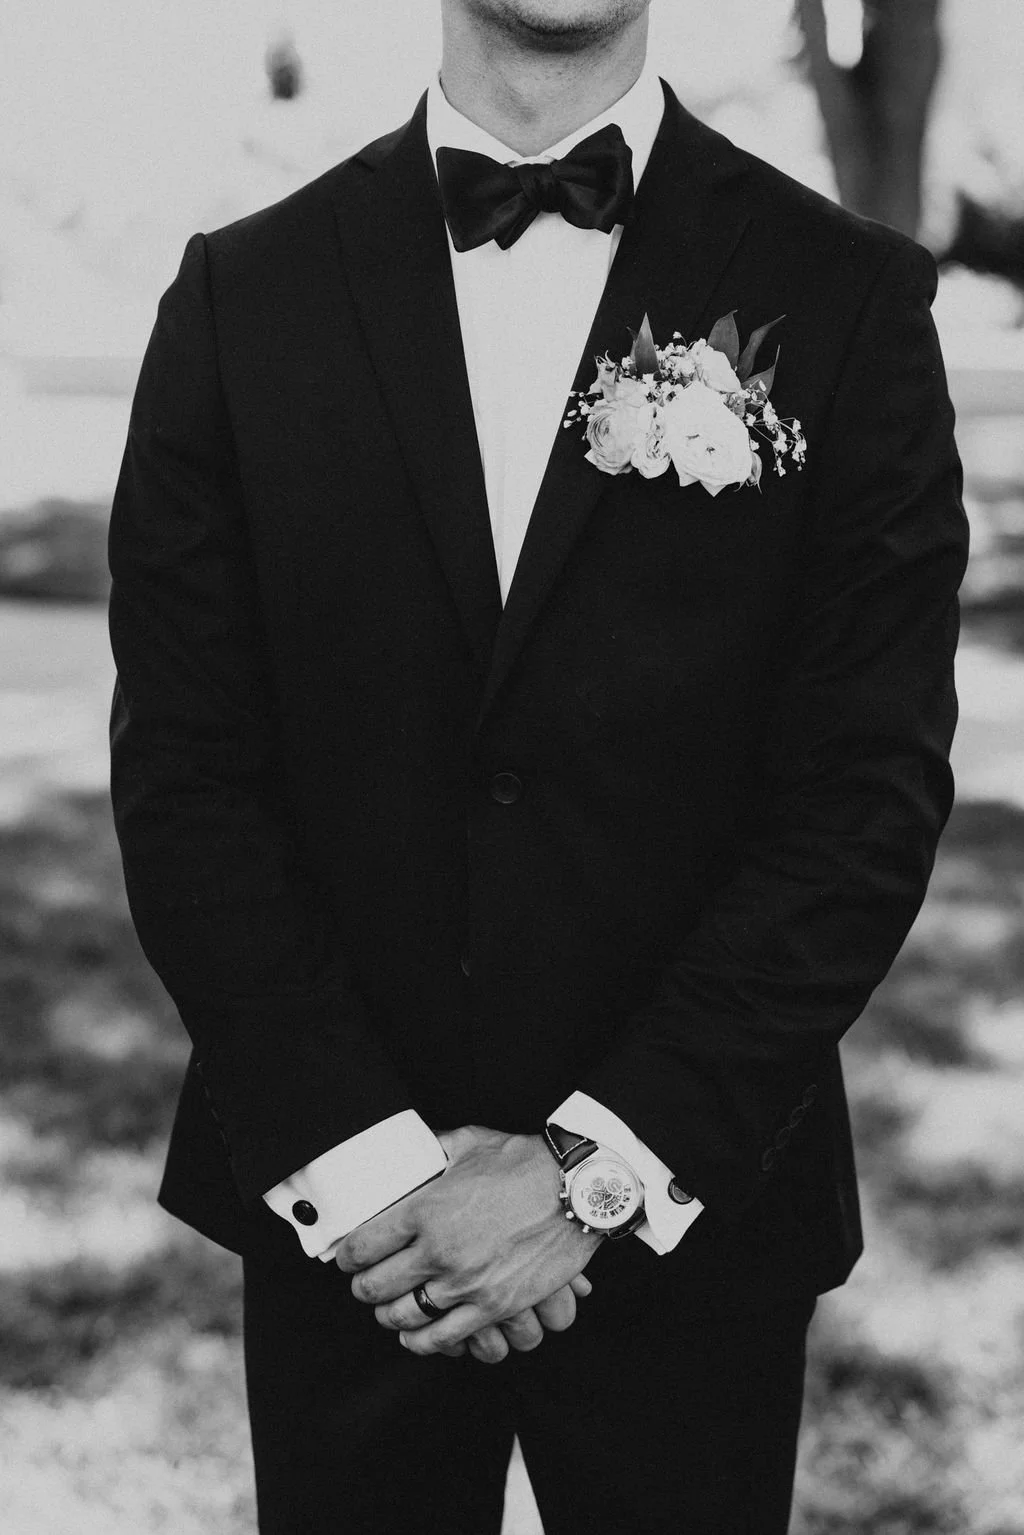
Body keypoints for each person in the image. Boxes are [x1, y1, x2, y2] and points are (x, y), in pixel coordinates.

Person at [107, 1, 968, 1531]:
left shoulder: (846, 300)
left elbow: (862, 797)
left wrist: (592, 1181)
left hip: (696, 1206)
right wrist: (370, 1170)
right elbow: (186, 775)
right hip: (351, 1236)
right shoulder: (241, 296)